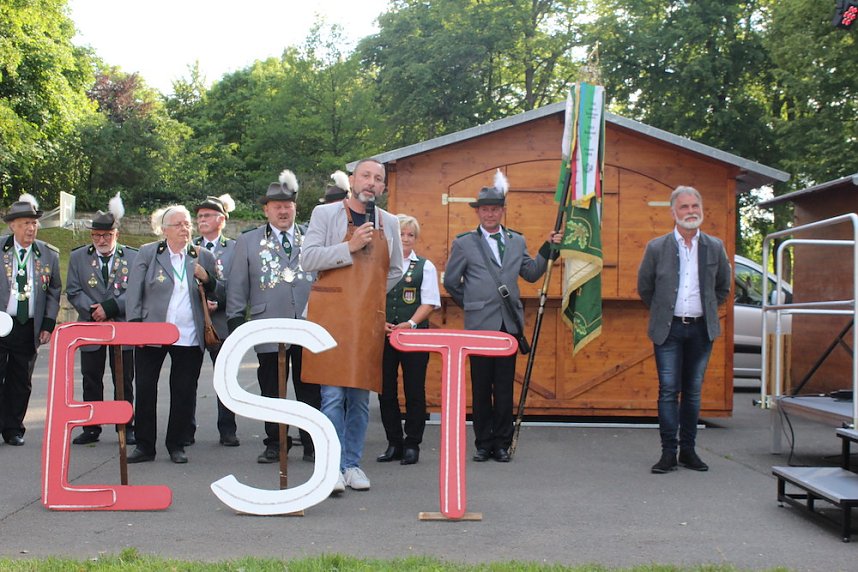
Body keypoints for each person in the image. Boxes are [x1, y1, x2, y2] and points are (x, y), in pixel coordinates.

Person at [443, 170, 560, 463]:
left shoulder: (517, 241)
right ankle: (483, 442)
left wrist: (549, 247)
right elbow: (451, 282)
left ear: (502, 211)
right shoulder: (464, 243)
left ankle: (502, 444)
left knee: (505, 389)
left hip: (509, 325)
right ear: (478, 212)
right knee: (481, 388)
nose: (490, 214)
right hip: (480, 326)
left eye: (495, 209)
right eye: (485, 209)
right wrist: (472, 304)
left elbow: (532, 273)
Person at [302, 158, 403, 493]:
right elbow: (308, 259)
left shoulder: (389, 222)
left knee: (360, 396)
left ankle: (352, 464)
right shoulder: (324, 214)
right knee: (331, 396)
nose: (371, 183)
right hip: (330, 316)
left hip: (365, 319)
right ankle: (330, 468)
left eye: (378, 179)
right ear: (352, 180)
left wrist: (367, 295)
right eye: (365, 176)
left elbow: (396, 269)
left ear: (383, 187)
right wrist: (350, 246)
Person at [227, 170, 320, 464]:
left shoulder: (311, 237)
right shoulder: (249, 240)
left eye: (288, 205)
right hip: (267, 325)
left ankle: (311, 443)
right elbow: (238, 283)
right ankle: (275, 443)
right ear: (266, 209)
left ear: (295, 207)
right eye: (276, 206)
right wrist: (235, 321)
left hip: (309, 323)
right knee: (271, 388)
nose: (283, 210)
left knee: (310, 387)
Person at [637, 185, 731, 474]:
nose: (691, 212)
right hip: (669, 330)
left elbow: (723, 287)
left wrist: (704, 309)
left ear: (701, 209)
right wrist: (666, 311)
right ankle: (668, 453)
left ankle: (688, 451)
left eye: (694, 206)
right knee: (668, 390)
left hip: (701, 330)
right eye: (684, 207)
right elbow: (645, 288)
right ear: (673, 213)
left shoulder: (714, 247)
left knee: (692, 392)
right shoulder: (657, 247)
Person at [125, 205, 218, 464]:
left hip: (188, 334)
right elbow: (134, 293)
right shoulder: (148, 253)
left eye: (187, 223)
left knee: (184, 390)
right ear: (164, 230)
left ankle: (176, 444)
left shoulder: (202, 256)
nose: (184, 228)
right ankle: (144, 445)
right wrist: (135, 328)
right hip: (152, 331)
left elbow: (217, 292)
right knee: (145, 388)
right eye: (178, 224)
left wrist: (207, 279)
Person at [66, 193, 137, 446]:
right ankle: (91, 426)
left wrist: (110, 306)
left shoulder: (132, 256)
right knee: (91, 377)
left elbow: (137, 292)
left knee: (123, 379)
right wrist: (93, 310)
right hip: (91, 325)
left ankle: (126, 424)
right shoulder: (78, 257)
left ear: (116, 234)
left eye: (106, 236)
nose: (101, 240)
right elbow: (73, 290)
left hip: (121, 327)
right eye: (96, 236)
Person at [376, 214, 440, 466]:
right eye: (401, 234)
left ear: (416, 238)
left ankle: (412, 443)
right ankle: (394, 443)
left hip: (415, 337)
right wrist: (379, 323)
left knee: (414, 390)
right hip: (384, 336)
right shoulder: (380, 264)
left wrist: (411, 324)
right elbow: (370, 298)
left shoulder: (425, 266)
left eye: (410, 235)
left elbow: (430, 302)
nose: (405, 239)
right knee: (385, 391)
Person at [0, 194, 61, 447]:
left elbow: (55, 291)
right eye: (25, 223)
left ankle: (13, 428)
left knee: (20, 380)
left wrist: (48, 325)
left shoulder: (48, 254)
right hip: (1, 322)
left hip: (28, 326)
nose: (31, 228)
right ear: (12, 225)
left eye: (34, 223)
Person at [192, 193, 239, 447]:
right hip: (196, 321)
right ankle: (186, 429)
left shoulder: (235, 248)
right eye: (199, 216)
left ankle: (227, 429)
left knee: (224, 378)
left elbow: (240, 282)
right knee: (187, 378)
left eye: (207, 215)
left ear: (221, 219)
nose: (201, 220)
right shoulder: (190, 246)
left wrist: (219, 302)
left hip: (221, 322)